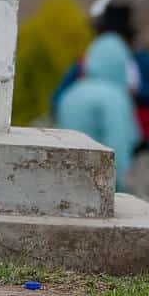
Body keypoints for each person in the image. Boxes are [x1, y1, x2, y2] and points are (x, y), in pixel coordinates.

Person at [51, 3, 149, 145]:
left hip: (143, 140)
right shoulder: (86, 63)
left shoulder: (145, 62)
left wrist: (136, 94)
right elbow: (59, 97)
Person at [54, 32, 140, 189]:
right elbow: (118, 148)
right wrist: (122, 190)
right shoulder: (115, 97)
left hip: (65, 183)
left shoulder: (70, 93)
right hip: (100, 189)